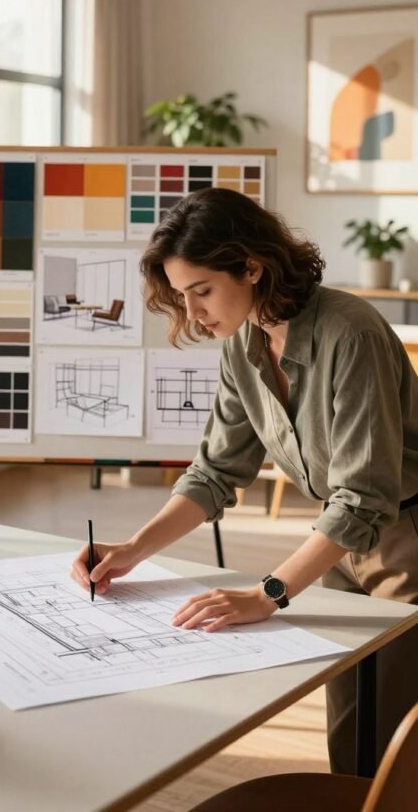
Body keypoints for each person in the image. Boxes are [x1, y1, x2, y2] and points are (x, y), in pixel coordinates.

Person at [70, 187, 418, 774]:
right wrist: (131, 551)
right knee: (350, 734)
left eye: (202, 290)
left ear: (251, 266)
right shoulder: (242, 345)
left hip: (406, 538)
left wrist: (268, 594)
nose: (194, 311)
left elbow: (364, 497)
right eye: (183, 296)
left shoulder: (349, 332)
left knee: (396, 743)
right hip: (338, 542)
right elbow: (214, 472)